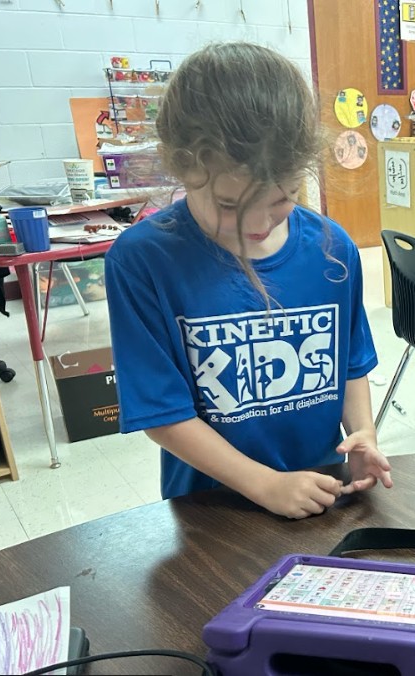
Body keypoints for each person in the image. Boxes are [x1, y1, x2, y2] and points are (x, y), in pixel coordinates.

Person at [105, 43, 391, 519]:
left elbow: (350, 362)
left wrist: (362, 432)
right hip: (212, 509)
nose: (257, 224)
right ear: (181, 167)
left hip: (323, 491)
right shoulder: (143, 261)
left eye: (282, 198)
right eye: (229, 205)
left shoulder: (331, 248)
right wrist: (266, 485)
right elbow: (163, 414)